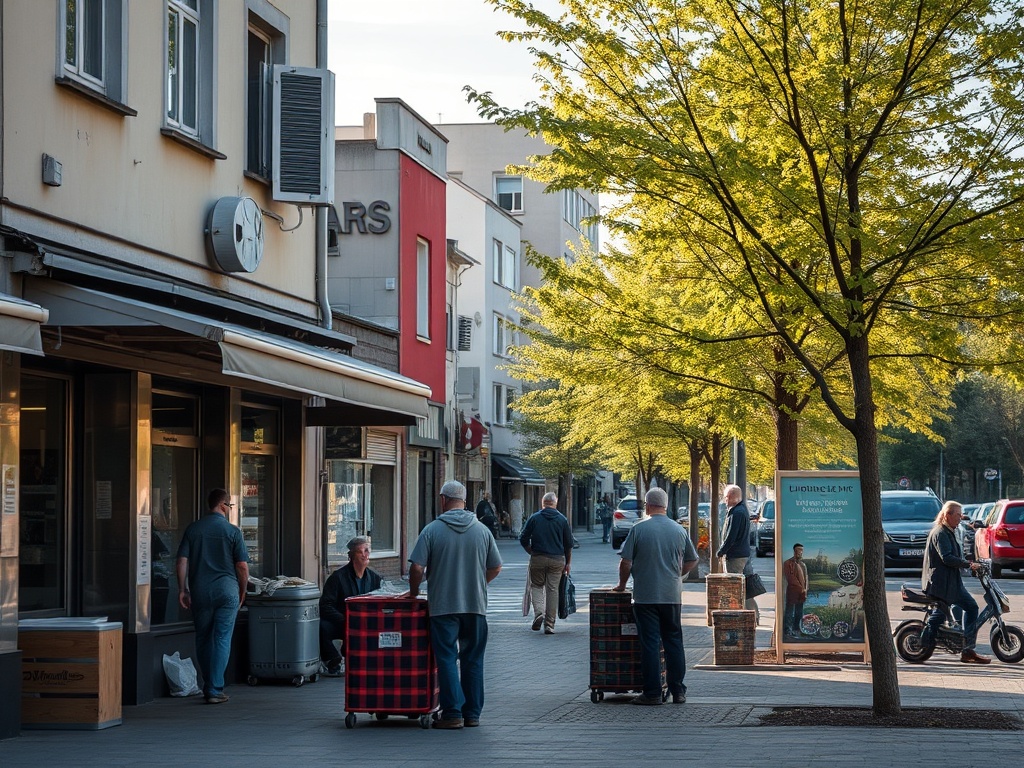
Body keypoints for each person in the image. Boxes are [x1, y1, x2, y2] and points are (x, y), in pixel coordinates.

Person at [409, 480, 502, 729]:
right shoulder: (482, 531)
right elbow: (496, 566)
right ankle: (472, 714)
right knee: (473, 659)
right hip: (475, 606)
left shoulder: (431, 530)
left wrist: (414, 591)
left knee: (447, 658)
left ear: (442, 499)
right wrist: (479, 584)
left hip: (443, 607)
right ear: (465, 500)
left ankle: (452, 713)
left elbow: (417, 566)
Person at [613, 487, 698, 706]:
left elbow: (626, 561)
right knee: (673, 641)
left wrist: (622, 585)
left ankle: (652, 693)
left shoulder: (639, 529)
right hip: (672, 595)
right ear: (666, 505)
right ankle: (678, 691)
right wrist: (677, 575)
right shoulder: (679, 530)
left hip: (645, 596)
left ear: (648, 506)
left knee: (650, 643)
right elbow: (692, 559)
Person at [176, 488, 249, 704]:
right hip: (227, 590)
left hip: (200, 591)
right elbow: (242, 567)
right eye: (230, 506)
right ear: (223, 505)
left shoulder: (193, 529)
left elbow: (181, 562)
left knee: (203, 637)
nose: (229, 510)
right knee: (222, 638)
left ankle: (208, 683)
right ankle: (215, 688)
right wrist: (242, 591)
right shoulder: (233, 532)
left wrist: (182, 589)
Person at [921, 500, 990, 664]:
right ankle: (922, 644)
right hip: (941, 585)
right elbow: (947, 558)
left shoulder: (951, 531)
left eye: (961, 515)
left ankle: (967, 649)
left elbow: (956, 556)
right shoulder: (940, 533)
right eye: (957, 515)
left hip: (952, 583)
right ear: (947, 515)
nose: (961, 518)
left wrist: (973, 562)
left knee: (971, 607)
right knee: (939, 616)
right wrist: (968, 564)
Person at [318, 536, 383, 676]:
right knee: (322, 626)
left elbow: (380, 601)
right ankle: (333, 659)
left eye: (367, 551)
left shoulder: (375, 578)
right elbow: (325, 605)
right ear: (351, 556)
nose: (365, 555)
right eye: (361, 552)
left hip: (366, 622)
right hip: (343, 621)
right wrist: (345, 619)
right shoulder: (337, 578)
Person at [519, 492, 574, 634]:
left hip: (538, 557)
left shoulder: (534, 518)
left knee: (536, 586)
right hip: (557, 560)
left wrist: (530, 551)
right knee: (553, 590)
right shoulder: (562, 520)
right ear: (555, 503)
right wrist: (568, 563)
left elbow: (523, 537)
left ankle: (538, 613)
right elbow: (568, 544)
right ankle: (549, 624)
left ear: (543, 503)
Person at [717, 484, 759, 623]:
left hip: (735, 557)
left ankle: (741, 619)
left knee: (735, 589)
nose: (724, 501)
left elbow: (731, 537)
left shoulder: (736, 513)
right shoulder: (741, 510)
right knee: (746, 588)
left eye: (725, 497)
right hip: (744, 555)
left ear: (729, 497)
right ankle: (754, 616)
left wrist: (721, 551)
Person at [783, 543, 808, 638]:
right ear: (794, 551)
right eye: (798, 550)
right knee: (790, 610)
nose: (800, 552)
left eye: (802, 550)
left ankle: (797, 629)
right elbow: (790, 578)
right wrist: (800, 588)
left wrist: (805, 590)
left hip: (802, 593)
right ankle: (788, 630)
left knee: (799, 611)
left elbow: (806, 578)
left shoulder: (803, 565)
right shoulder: (787, 563)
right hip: (793, 591)